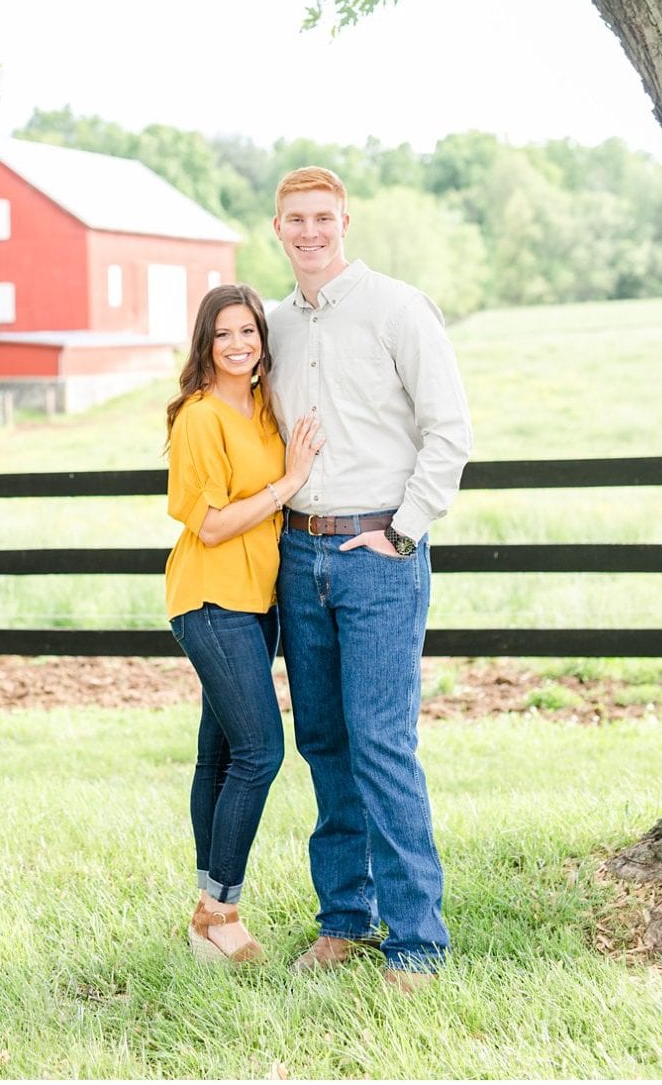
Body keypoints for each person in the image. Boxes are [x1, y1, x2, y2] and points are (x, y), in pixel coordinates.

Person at [265, 166, 473, 991]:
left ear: (345, 220)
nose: (309, 231)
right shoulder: (275, 325)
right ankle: (344, 921)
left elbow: (448, 429)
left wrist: (402, 530)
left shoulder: (397, 307)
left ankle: (417, 940)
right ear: (276, 228)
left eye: (322, 216)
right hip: (298, 554)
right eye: (294, 219)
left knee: (384, 744)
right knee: (323, 742)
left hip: (377, 554)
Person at [164, 283, 321, 962]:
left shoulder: (261, 407)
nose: (238, 344)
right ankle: (220, 909)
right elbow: (215, 522)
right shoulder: (200, 418)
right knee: (261, 751)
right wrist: (290, 483)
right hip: (210, 599)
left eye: (249, 332)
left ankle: (206, 917)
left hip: (256, 602)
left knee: (221, 754)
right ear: (207, 340)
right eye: (224, 333)